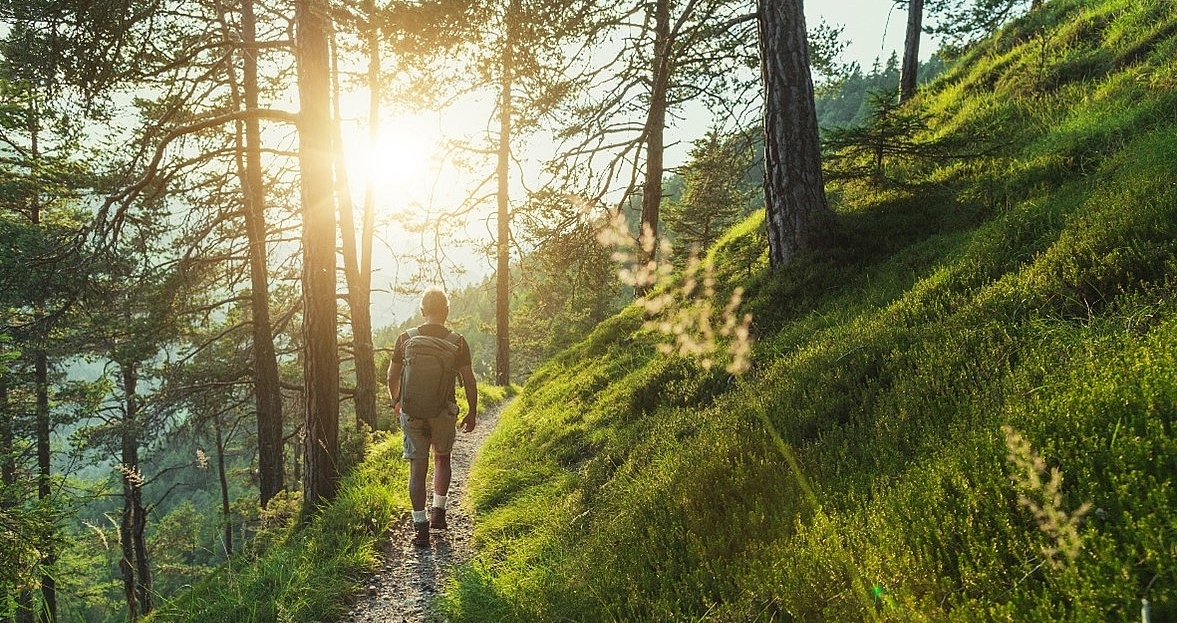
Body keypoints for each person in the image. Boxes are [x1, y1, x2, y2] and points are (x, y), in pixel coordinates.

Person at [387, 286, 477, 547]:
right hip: (443, 410)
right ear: (446, 312)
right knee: (442, 458)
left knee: (417, 467)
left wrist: (397, 402)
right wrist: (471, 411)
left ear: (423, 310)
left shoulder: (405, 338)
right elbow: (469, 381)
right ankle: (439, 511)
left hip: (412, 412)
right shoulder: (457, 342)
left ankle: (420, 526)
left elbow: (392, 376)